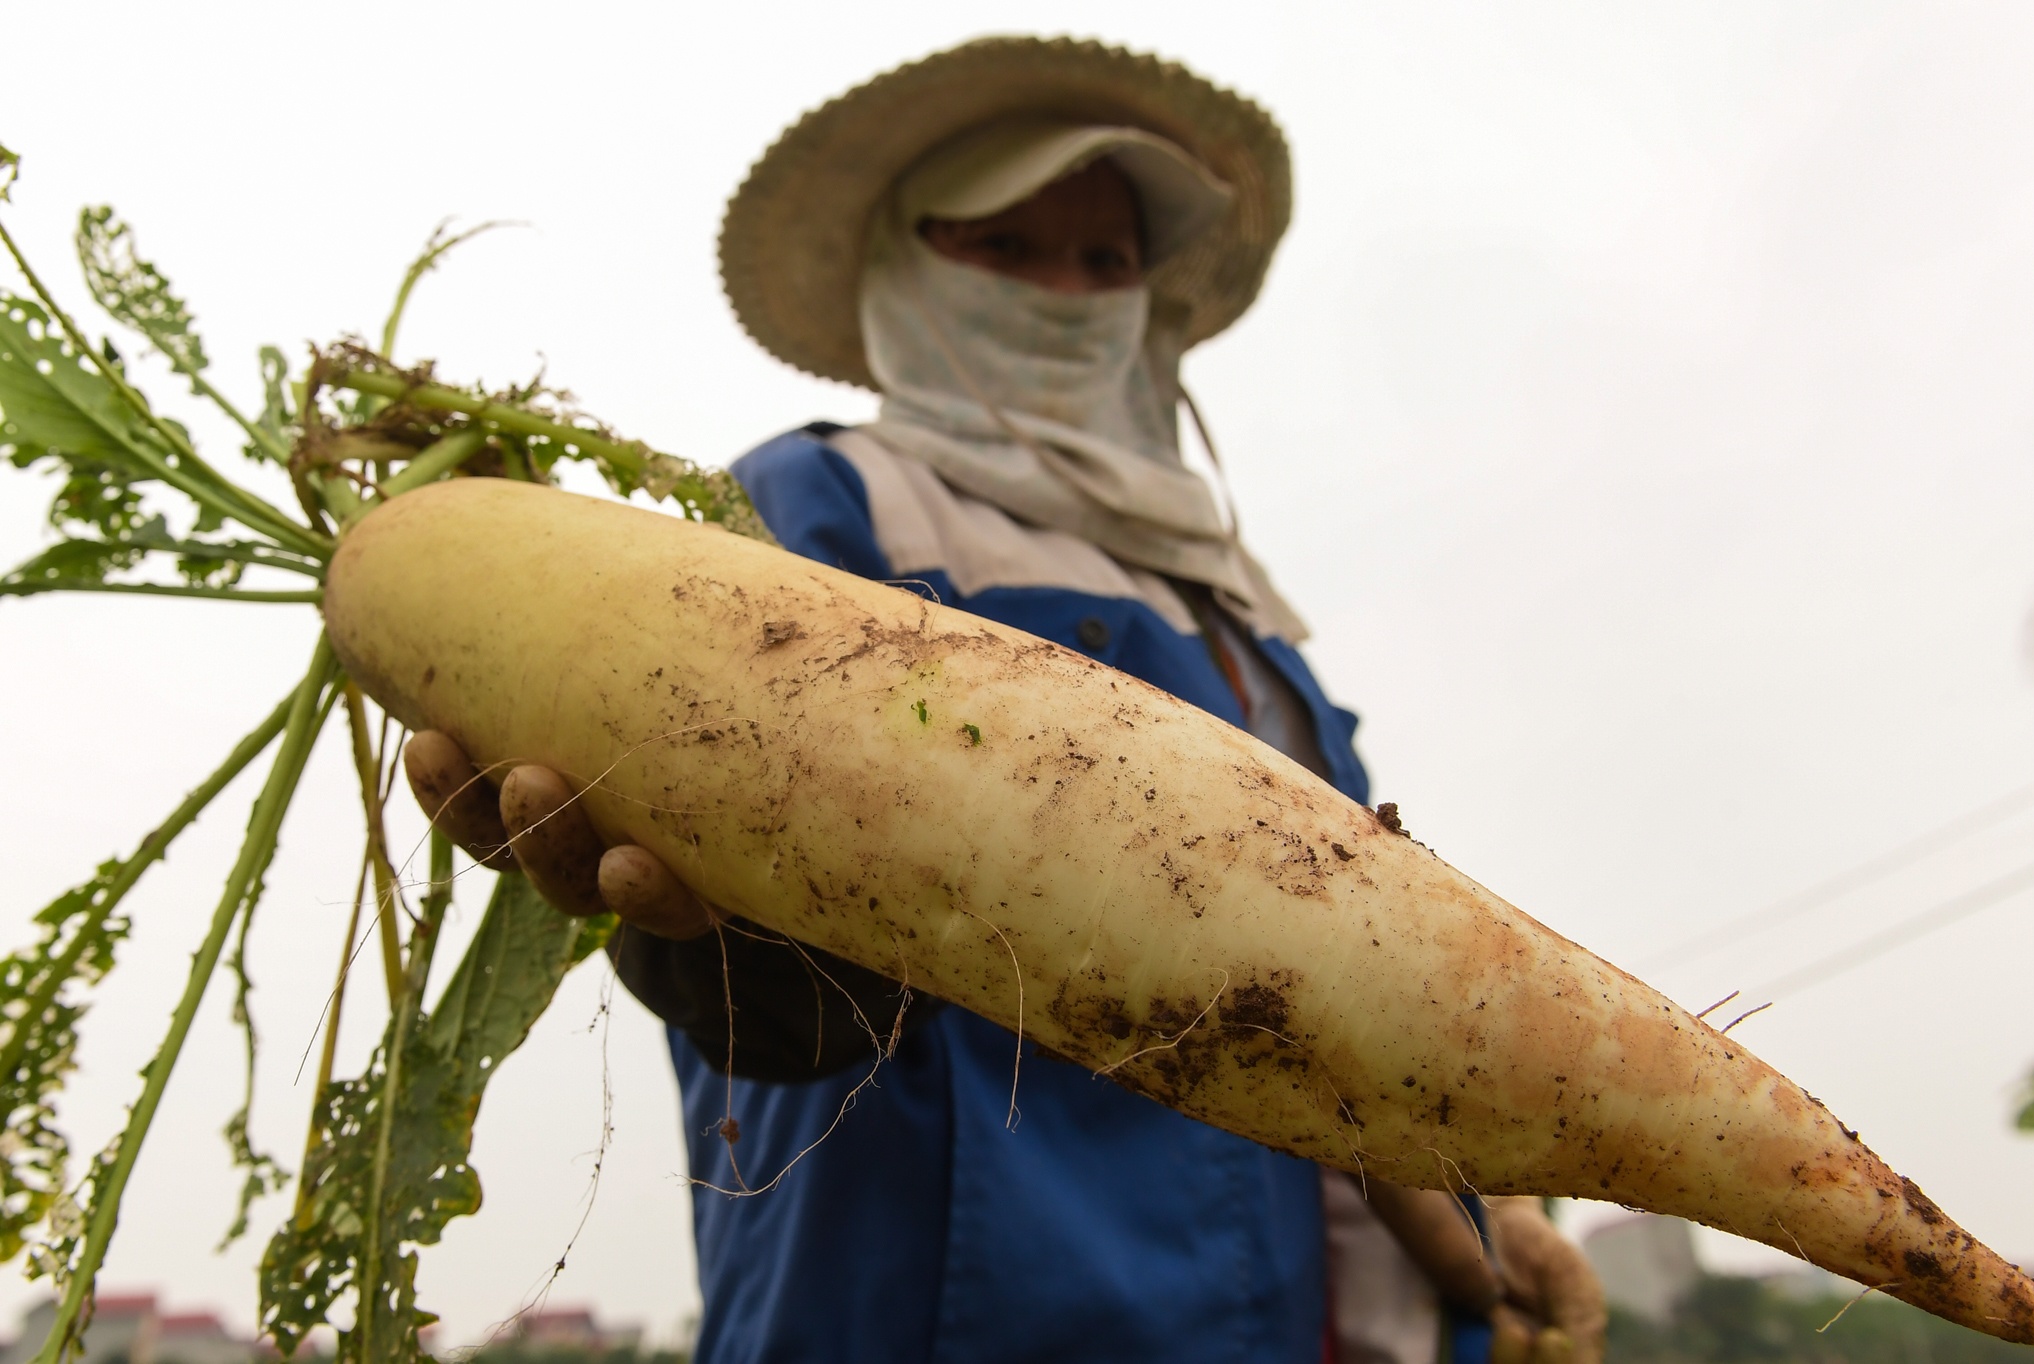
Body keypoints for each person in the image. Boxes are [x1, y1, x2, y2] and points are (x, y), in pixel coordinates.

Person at [403, 35, 1602, 1364]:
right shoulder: (819, 507)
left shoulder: (1242, 613)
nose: (1065, 290)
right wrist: (750, 944)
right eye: (1008, 243)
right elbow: (774, 929)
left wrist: (1478, 1222)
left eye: (1103, 261)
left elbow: (1337, 1000)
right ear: (906, 270)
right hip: (954, 1307)